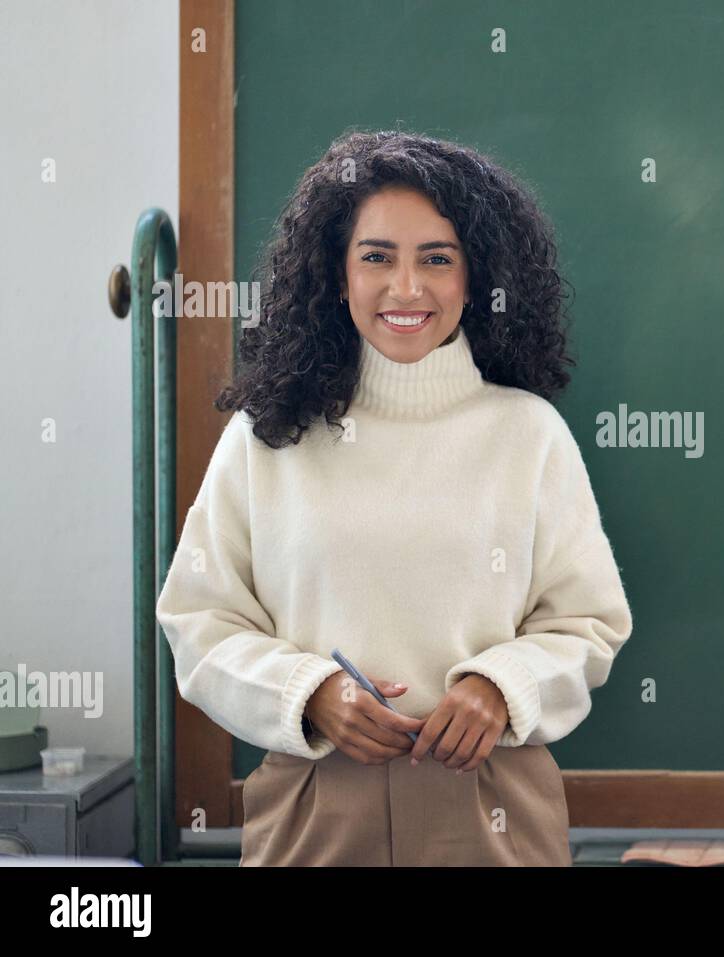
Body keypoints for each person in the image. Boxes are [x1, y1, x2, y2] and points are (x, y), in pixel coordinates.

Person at [155, 129, 634, 866]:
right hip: (314, 811)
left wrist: (502, 686)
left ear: (475, 279)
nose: (406, 289)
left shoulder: (528, 435)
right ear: (336, 276)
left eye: (437, 259)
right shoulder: (268, 437)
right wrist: (308, 692)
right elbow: (197, 620)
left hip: (491, 809)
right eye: (376, 257)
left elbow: (588, 624)